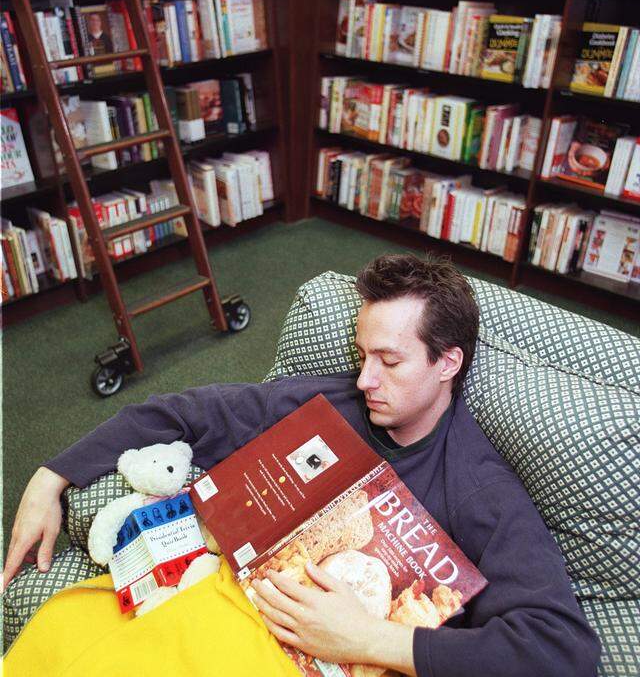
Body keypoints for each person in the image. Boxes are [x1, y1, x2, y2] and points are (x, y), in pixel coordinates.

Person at [3, 253, 601, 676]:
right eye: (361, 354)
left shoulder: (478, 487)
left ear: (447, 363)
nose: (365, 379)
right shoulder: (331, 401)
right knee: (61, 637)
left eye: (389, 361)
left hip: (293, 659)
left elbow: (560, 649)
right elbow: (183, 412)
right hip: (206, 600)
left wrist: (377, 640)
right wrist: (48, 477)